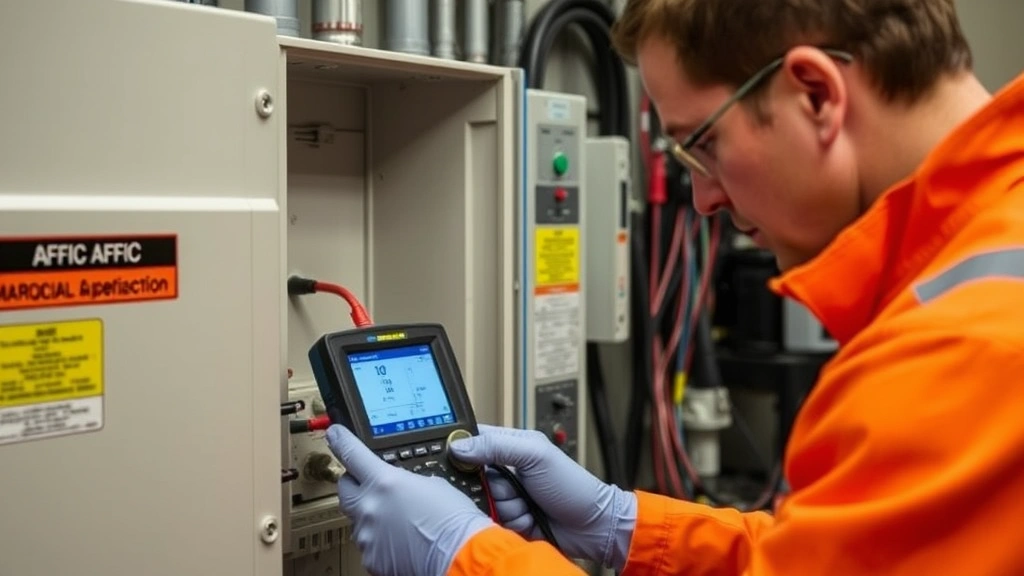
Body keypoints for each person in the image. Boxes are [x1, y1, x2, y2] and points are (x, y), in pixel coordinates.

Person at [325, 0, 1024, 574]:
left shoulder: (955, 354)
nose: (703, 199)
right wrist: (623, 528)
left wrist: (467, 558)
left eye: (704, 145)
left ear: (816, 94)